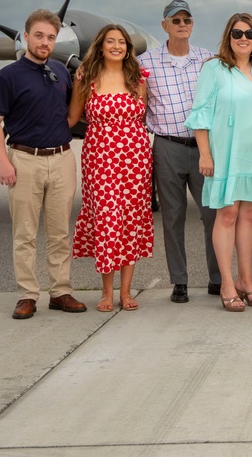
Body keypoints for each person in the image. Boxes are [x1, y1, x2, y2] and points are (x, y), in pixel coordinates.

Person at [0, 9, 87, 319]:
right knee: (25, 234)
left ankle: (60, 292)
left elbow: (71, 117)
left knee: (59, 233)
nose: (45, 42)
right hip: (24, 159)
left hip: (61, 159)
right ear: (26, 36)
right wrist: (3, 161)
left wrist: (81, 84)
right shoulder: (8, 75)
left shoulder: (59, 70)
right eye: (39, 35)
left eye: (51, 37)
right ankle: (28, 295)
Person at [185, 13, 252, 312]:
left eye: (249, 34)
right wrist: (205, 153)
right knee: (227, 214)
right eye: (237, 33)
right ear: (228, 37)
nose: (243, 38)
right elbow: (201, 113)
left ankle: (245, 281)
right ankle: (226, 283)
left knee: (249, 216)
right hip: (226, 151)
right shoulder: (214, 69)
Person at [138, 0, 221, 304]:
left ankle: (217, 278)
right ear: (165, 26)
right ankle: (179, 281)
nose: (182, 24)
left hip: (204, 148)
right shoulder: (144, 63)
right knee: (172, 216)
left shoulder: (208, 60)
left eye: (187, 19)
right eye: (176, 20)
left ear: (192, 24)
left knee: (212, 213)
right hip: (167, 146)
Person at [69, 24, 154, 312]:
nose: (116, 46)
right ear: (101, 46)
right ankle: (106, 292)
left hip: (135, 159)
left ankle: (126, 292)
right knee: (106, 220)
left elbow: (142, 115)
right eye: (110, 41)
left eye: (122, 42)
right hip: (100, 158)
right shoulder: (87, 79)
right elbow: (71, 119)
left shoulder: (138, 79)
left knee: (130, 220)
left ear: (128, 48)